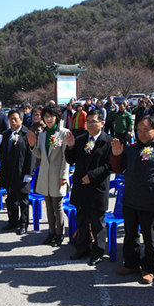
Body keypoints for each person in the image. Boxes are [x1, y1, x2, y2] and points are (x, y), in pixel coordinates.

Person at [110, 115, 154, 284]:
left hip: (152, 202)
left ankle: (149, 269)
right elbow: (119, 168)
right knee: (130, 235)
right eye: (139, 130)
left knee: (150, 238)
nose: (142, 134)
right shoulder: (132, 148)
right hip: (130, 199)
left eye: (146, 130)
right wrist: (116, 155)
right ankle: (131, 263)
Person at [64, 109, 113, 265]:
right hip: (81, 186)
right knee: (82, 219)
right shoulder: (80, 139)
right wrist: (70, 147)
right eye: (88, 122)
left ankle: (97, 252)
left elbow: (110, 166)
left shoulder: (109, 142)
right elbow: (70, 160)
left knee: (97, 222)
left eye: (94, 121)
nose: (90, 124)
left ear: (102, 123)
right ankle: (82, 248)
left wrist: (91, 176)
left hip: (97, 187)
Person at [27, 103, 70, 247]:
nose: (49, 119)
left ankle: (60, 233)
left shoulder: (64, 133)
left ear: (57, 117)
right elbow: (40, 154)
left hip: (58, 175)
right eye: (46, 116)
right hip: (45, 174)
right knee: (49, 206)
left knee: (57, 206)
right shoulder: (43, 133)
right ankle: (51, 232)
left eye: (51, 116)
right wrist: (33, 146)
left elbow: (66, 156)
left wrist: (64, 175)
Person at [0, 109, 33, 235]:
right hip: (8, 171)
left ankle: (24, 223)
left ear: (21, 120)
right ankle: (13, 221)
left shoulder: (27, 133)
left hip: (22, 171)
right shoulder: (6, 133)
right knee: (10, 198)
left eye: (15, 119)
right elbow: (2, 152)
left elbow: (31, 155)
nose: (13, 121)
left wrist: (29, 173)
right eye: (11, 119)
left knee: (23, 199)